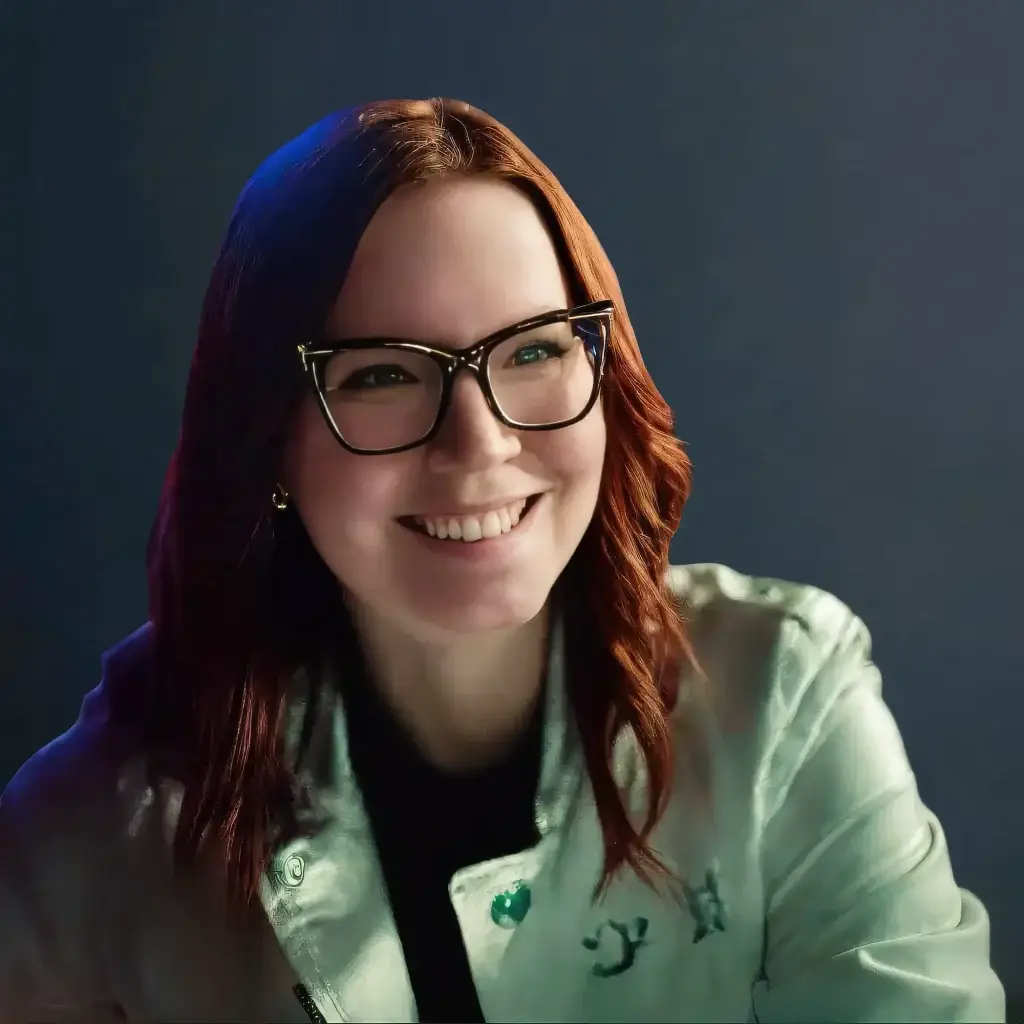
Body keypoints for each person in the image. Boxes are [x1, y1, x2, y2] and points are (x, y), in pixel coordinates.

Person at [0, 98, 1004, 1024]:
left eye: (533, 349)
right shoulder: (105, 821)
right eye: (385, 372)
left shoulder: (782, 702)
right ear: (265, 438)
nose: (478, 445)